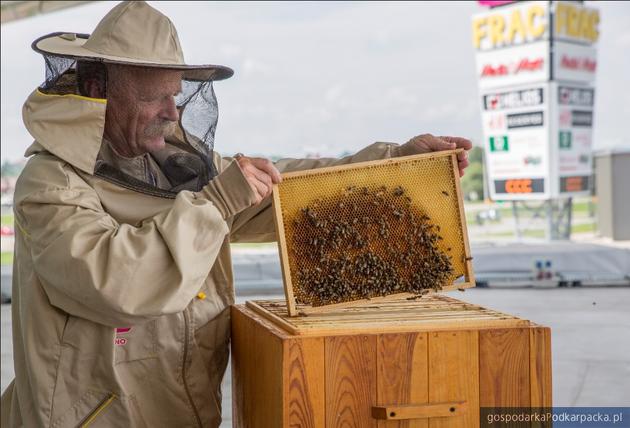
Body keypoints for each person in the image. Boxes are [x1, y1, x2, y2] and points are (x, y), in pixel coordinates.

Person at [0, 2, 471, 427]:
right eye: (154, 98)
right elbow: (116, 283)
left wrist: (396, 163)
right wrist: (219, 203)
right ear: (100, 90)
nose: (172, 112)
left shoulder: (171, 166)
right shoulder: (52, 184)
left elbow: (287, 189)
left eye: (175, 95)